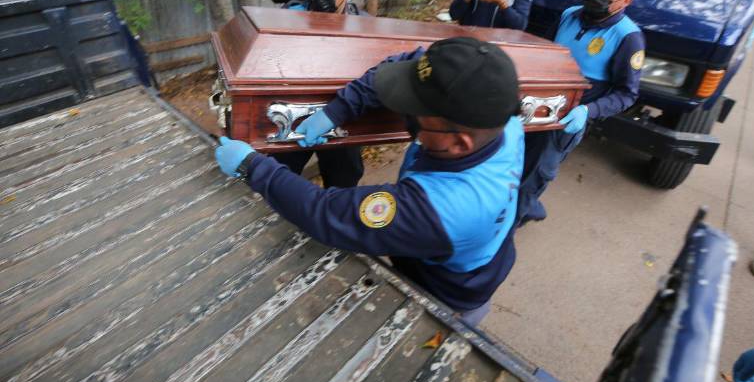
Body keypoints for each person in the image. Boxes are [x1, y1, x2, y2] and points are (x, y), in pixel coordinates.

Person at [215, 37, 525, 327]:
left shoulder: (439, 210)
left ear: (459, 144)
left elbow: (324, 213)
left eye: (416, 113)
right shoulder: (497, 114)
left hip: (445, 295)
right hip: (480, 249)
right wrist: (338, 110)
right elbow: (414, 64)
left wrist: (251, 166)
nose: (405, 113)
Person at [518, 0, 646, 224]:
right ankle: (524, 206)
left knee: (537, 171)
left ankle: (508, 227)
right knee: (514, 160)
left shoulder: (628, 37)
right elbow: (546, 52)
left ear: (625, 1)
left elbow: (627, 93)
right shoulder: (569, 14)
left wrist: (588, 111)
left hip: (566, 120)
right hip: (534, 106)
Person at [277, 0, 365, 187]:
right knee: (278, 175)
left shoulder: (364, 26)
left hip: (341, 116)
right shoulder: (289, 16)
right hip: (294, 114)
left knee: (344, 181)